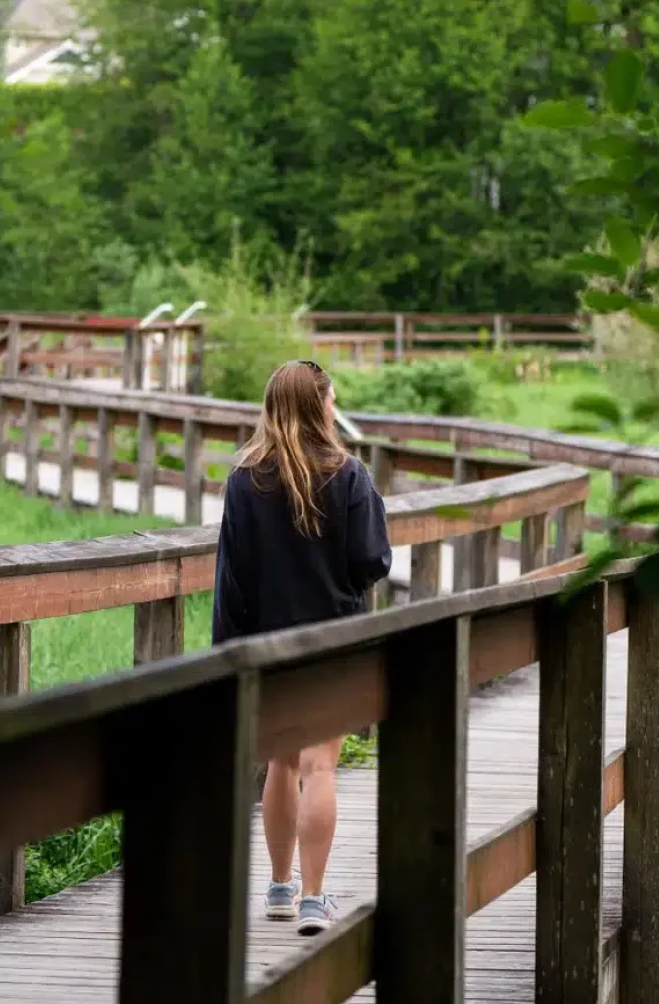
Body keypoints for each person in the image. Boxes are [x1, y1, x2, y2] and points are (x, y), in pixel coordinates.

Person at [212, 359, 391, 936]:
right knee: (320, 766)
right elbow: (373, 561)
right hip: (333, 640)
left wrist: (228, 655)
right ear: (321, 407)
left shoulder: (245, 479)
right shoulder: (349, 475)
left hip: (266, 644)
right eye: (333, 399)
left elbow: (232, 577)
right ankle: (314, 899)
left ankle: (280, 888)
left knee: (280, 763)